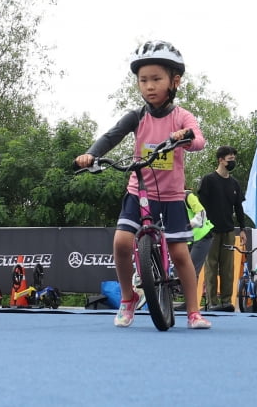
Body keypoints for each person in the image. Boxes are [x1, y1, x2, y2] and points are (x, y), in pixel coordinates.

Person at [74, 40, 210, 330]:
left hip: (172, 195)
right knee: (122, 242)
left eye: (156, 79)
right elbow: (111, 136)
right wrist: (91, 155)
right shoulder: (137, 116)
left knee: (179, 254)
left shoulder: (181, 116)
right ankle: (127, 299)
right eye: (143, 80)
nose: (149, 86)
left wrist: (185, 136)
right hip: (140, 191)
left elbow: (198, 140)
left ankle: (194, 312)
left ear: (175, 82)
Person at [197, 145, 248, 312]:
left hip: (228, 231)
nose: (232, 162)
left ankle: (227, 301)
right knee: (211, 267)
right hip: (210, 230)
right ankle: (212, 302)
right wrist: (203, 226)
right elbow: (200, 205)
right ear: (221, 160)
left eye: (234, 159)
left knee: (228, 268)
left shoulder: (234, 184)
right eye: (229, 159)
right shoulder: (208, 180)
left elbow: (239, 207)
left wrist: (242, 228)